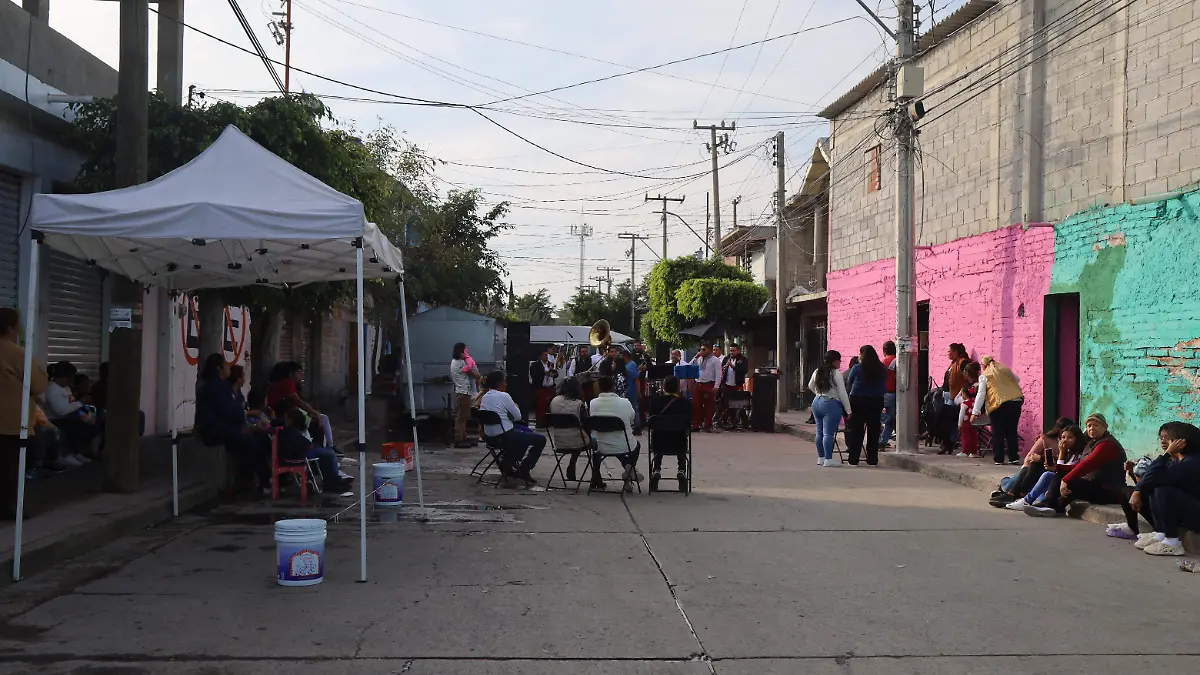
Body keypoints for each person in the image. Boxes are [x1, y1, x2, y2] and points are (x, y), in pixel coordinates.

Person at [196, 353, 272, 494]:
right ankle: (263, 481)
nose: (228, 368)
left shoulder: (220, 386)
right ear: (219, 368)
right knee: (251, 442)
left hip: (223, 428)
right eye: (226, 365)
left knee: (261, 438)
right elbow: (228, 411)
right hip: (214, 431)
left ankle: (262, 477)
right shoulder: (216, 387)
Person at [1025, 413, 1125, 518]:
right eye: (1089, 426)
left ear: (1105, 427)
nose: (1091, 428)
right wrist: (1060, 469)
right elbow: (1080, 465)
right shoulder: (1092, 443)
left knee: (1071, 482)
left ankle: (1051, 506)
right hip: (1094, 483)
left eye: (1096, 425)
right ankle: (1050, 505)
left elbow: (1088, 464)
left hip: (1109, 490)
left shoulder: (1107, 444)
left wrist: (1066, 479)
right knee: (1060, 473)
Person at [0, 308, 49, 518]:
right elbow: (38, 385)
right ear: (11, 327)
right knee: (12, 468)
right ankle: (8, 508)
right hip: (11, 422)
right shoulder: (18, 354)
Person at [1125, 422, 1200, 555]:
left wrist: (1166, 454)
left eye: (1169, 438)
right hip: (1191, 512)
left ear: (1180, 443)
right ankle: (1161, 534)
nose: (1166, 442)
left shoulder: (1193, 463)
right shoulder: (1180, 461)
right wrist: (1138, 489)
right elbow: (1150, 478)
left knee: (1161, 489)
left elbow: (1154, 478)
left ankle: (1172, 542)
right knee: (1153, 488)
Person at [477, 370, 544, 486]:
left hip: (489, 437)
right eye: (504, 381)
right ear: (499, 383)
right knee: (541, 439)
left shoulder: (485, 397)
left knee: (524, 434)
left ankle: (508, 462)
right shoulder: (504, 396)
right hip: (505, 436)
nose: (506, 384)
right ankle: (523, 468)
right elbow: (518, 416)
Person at [1001, 425, 1084, 511]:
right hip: (1052, 480)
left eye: (1070, 438)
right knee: (1031, 469)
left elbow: (1062, 470)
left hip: (1065, 483)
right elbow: (1029, 458)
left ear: (1077, 439)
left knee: (1045, 475)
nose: (1065, 440)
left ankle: (1023, 498)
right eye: (1063, 437)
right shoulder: (1066, 451)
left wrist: (1060, 453)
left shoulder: (1078, 455)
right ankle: (1018, 495)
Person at [277, 408, 352, 494]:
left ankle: (334, 480)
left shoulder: (295, 430)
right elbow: (307, 445)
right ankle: (332, 483)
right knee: (329, 454)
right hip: (301, 455)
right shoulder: (291, 432)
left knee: (327, 454)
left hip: (302, 453)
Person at [589, 375, 642, 492]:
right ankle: (629, 468)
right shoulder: (625, 402)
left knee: (606, 446)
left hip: (600, 446)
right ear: (613, 386)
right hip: (624, 445)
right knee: (635, 446)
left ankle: (596, 476)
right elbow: (631, 419)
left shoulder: (593, 403)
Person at [267, 361, 334, 452]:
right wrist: (314, 413)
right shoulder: (287, 384)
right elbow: (299, 402)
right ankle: (329, 447)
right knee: (322, 419)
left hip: (289, 414)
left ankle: (326, 446)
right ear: (291, 374)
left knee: (318, 420)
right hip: (285, 416)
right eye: (298, 373)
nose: (301, 375)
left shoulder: (288, 384)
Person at [971, 355, 1025, 465]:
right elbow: (1017, 379)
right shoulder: (1004, 369)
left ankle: (999, 458)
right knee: (1011, 430)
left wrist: (975, 412)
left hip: (999, 404)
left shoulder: (984, 376)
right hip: (1015, 401)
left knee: (997, 432)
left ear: (984, 365)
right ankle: (1013, 457)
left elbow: (981, 395)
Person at [44, 362, 97, 463]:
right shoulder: (51, 389)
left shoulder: (66, 388)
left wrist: (80, 404)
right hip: (55, 419)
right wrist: (80, 402)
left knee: (92, 417)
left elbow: (71, 403)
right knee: (76, 424)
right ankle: (66, 455)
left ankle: (78, 452)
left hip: (68, 416)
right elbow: (61, 411)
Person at [845, 345, 887, 466]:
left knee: (857, 430)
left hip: (858, 400)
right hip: (876, 400)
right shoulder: (882, 369)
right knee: (873, 430)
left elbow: (849, 383)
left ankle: (853, 459)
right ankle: (872, 459)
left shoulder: (857, 368)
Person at [809, 350, 852, 468]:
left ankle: (821, 457)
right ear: (834, 361)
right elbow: (842, 393)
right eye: (839, 360)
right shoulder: (836, 373)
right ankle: (828, 459)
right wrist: (848, 410)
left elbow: (810, 385)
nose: (840, 363)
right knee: (828, 433)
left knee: (819, 432)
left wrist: (818, 393)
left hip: (816, 402)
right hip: (830, 403)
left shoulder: (817, 371)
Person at [649, 376, 690, 492]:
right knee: (681, 436)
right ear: (678, 388)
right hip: (679, 443)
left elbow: (650, 423)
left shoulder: (655, 402)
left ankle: (656, 470)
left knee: (659, 435)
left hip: (658, 443)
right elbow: (688, 423)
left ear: (664, 387)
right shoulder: (685, 403)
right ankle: (681, 470)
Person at [548, 376, 592, 482]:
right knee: (593, 442)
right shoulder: (578, 404)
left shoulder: (554, 401)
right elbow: (587, 424)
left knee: (576, 434)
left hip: (558, 441)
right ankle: (596, 476)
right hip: (577, 441)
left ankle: (573, 462)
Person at [938, 344, 971, 454]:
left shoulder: (963, 362)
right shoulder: (953, 364)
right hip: (948, 394)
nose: (948, 354)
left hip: (956, 396)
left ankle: (950, 442)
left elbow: (967, 378)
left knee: (951, 420)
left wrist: (963, 392)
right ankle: (948, 442)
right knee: (949, 420)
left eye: (950, 351)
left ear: (956, 351)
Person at [450, 343, 480, 448]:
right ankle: (459, 438)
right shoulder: (462, 363)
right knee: (461, 417)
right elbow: (476, 374)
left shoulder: (454, 362)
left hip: (460, 392)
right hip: (464, 392)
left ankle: (463, 436)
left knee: (464, 416)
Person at [717, 344, 749, 429]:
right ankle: (726, 422)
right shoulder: (726, 358)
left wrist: (733, 367)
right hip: (727, 385)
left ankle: (742, 422)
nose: (732, 352)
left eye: (734, 351)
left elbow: (744, 371)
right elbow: (721, 370)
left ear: (738, 351)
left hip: (737, 385)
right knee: (726, 404)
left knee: (738, 404)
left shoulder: (743, 359)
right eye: (731, 351)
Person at [691, 344, 719, 432]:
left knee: (708, 406)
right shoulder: (699, 359)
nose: (701, 351)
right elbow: (690, 365)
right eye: (700, 349)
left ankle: (707, 425)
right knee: (696, 405)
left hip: (708, 384)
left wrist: (716, 386)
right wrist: (695, 357)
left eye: (703, 349)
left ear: (709, 350)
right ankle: (696, 425)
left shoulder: (715, 360)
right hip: (698, 383)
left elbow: (719, 374)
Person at [529, 347, 556, 429]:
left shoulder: (550, 364)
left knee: (550, 406)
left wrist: (553, 373)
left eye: (547, 355)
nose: (546, 357)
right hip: (540, 388)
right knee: (541, 406)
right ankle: (541, 423)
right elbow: (534, 376)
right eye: (544, 355)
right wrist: (545, 373)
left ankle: (549, 422)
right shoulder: (535, 365)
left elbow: (556, 374)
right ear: (540, 356)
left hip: (550, 388)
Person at [878, 341, 898, 448]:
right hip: (894, 394)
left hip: (881, 393)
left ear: (884, 351)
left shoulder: (882, 362)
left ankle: (879, 439)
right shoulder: (898, 361)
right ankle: (883, 440)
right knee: (891, 419)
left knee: (879, 417)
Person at [622, 350, 643, 434]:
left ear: (625, 356)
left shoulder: (630, 365)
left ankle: (638, 427)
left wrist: (638, 392)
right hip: (629, 390)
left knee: (634, 408)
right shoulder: (629, 365)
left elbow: (637, 379)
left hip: (632, 391)